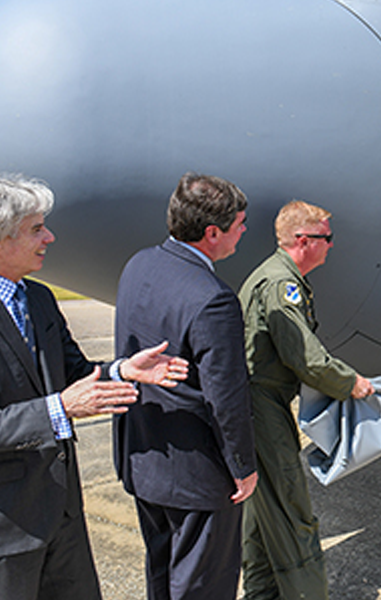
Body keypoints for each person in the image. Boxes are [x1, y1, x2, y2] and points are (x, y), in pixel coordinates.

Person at [0, 173, 188, 600]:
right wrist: (59, 409)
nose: (50, 237)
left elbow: (74, 371)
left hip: (60, 515)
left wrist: (123, 371)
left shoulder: (37, 298)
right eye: (36, 229)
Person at [114, 172, 258, 600]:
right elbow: (226, 398)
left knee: (161, 576)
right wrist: (243, 467)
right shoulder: (213, 297)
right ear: (212, 233)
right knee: (202, 587)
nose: (244, 231)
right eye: (239, 224)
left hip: (144, 460)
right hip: (198, 476)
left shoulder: (139, 264)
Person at [238, 201, 375, 598]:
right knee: (291, 507)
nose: (331, 245)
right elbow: (304, 357)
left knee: (263, 512)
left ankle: (262, 593)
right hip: (262, 405)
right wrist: (350, 383)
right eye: (326, 238)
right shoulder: (282, 284)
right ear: (303, 240)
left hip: (254, 404)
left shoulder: (272, 275)